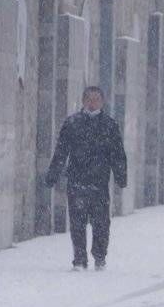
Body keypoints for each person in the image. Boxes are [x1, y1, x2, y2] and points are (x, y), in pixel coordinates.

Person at [45, 86, 127, 271]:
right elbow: (61, 151)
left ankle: (99, 256)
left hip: (99, 182)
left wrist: (121, 176)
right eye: (89, 99)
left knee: (101, 223)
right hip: (77, 181)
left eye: (96, 99)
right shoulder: (72, 123)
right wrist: (53, 175)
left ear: (102, 101)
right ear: (83, 101)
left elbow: (118, 154)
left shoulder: (109, 125)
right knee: (77, 222)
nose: (92, 103)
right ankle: (79, 259)